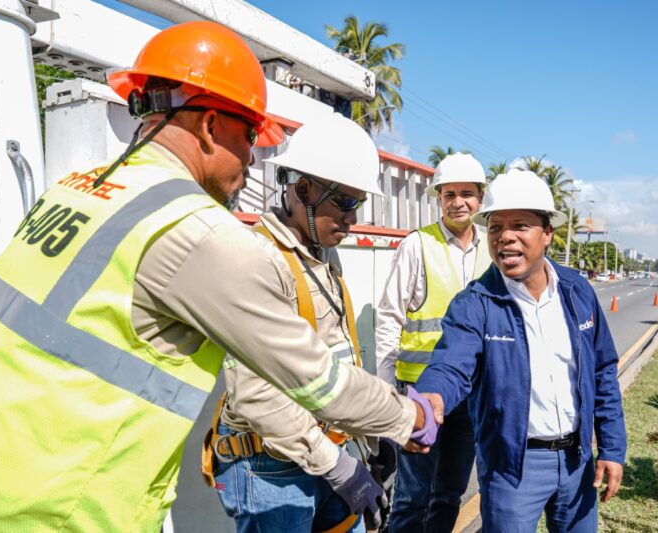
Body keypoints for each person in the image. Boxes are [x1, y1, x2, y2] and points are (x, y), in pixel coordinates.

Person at [0, 22, 438, 532]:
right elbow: (319, 382)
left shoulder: (75, 190)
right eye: (248, 139)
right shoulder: (201, 233)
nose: (251, 159)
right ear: (210, 126)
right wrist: (410, 420)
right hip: (51, 509)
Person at [203, 113, 387, 532]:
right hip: (273, 470)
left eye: (359, 203)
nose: (352, 218)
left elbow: (335, 361)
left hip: (329, 453)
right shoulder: (257, 260)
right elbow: (255, 395)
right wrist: (340, 468)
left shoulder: (324, 254)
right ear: (302, 189)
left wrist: (371, 441)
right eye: (345, 202)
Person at [415, 169, 627, 532]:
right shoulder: (475, 304)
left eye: (520, 226)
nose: (505, 238)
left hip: (578, 462)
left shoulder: (577, 292)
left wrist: (611, 448)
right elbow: (451, 365)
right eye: (495, 228)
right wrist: (429, 396)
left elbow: (602, 372)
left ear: (547, 234)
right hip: (511, 468)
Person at [375, 153, 491, 532]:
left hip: (471, 393)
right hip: (420, 391)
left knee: (450, 493)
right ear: (438, 198)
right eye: (449, 194)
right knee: (412, 493)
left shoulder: (492, 249)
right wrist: (386, 383)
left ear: (480, 198)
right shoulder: (417, 245)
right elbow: (390, 314)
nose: (458, 202)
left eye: (467, 194)